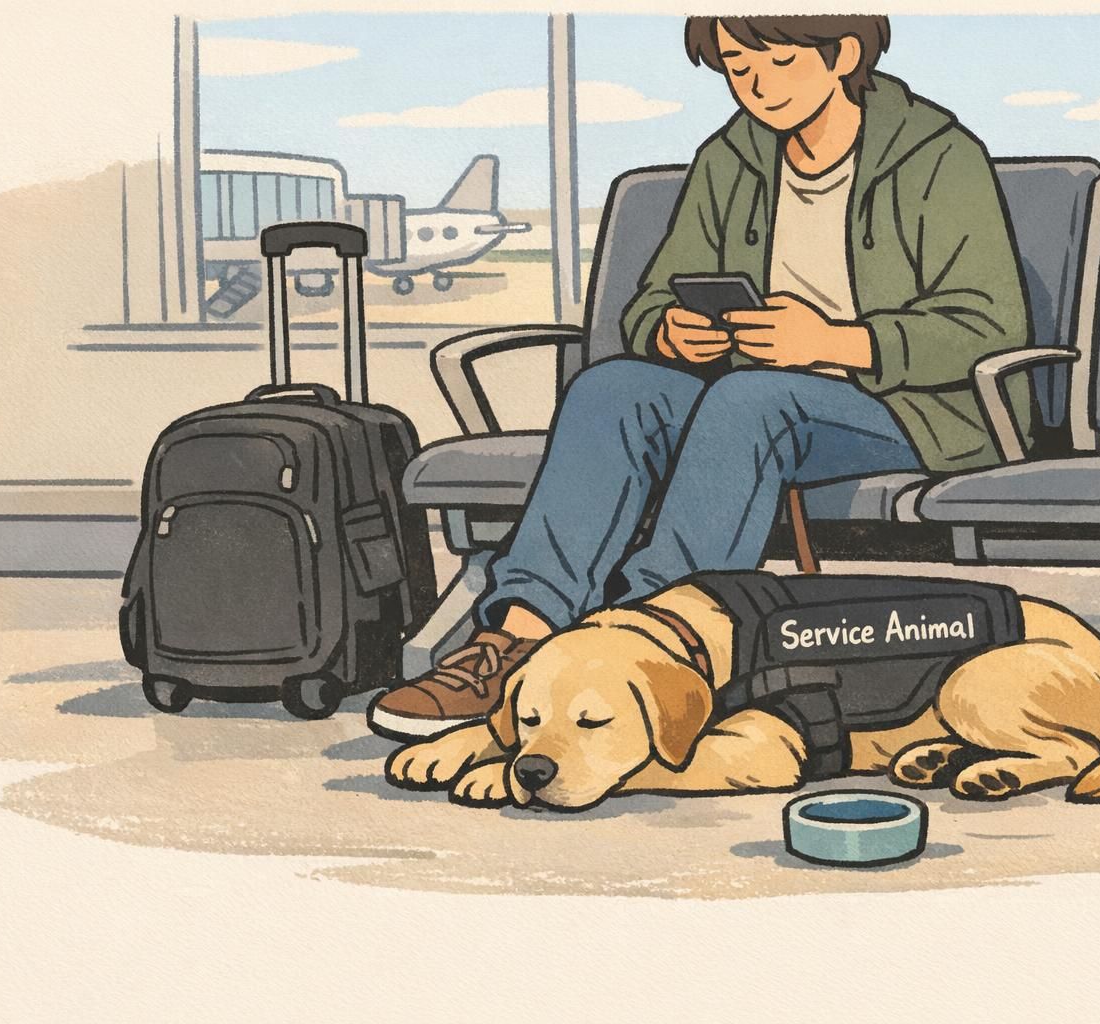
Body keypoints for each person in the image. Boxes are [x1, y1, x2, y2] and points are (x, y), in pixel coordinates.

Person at [369, 14, 1031, 740]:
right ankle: (517, 634)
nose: (756, 86)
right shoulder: (731, 157)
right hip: (755, 391)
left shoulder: (938, 155)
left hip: (912, 410)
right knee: (613, 389)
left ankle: (657, 635)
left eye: (778, 62)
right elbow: (654, 296)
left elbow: (990, 326)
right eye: (738, 67)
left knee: (753, 400)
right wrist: (669, 330)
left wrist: (835, 341)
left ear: (843, 54)